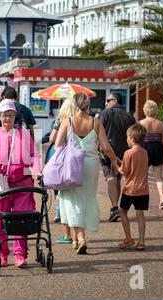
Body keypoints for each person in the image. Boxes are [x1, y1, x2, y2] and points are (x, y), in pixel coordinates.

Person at [54, 93, 118, 254]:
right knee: (87, 197)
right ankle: (76, 238)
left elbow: (57, 145)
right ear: (88, 104)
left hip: (72, 165)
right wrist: (115, 160)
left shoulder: (67, 121)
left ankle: (81, 238)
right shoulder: (96, 122)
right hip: (90, 165)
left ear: (74, 104)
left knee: (73, 199)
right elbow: (106, 146)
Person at [0, 99, 42, 268]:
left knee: (21, 220)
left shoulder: (23, 134)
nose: (7, 118)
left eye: (10, 115)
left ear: (15, 115)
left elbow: (34, 155)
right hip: (1, 183)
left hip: (22, 183)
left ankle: (20, 254)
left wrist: (37, 170)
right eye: (4, 115)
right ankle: (1, 254)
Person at [98, 92, 136, 222]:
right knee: (117, 179)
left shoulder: (105, 113)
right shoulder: (129, 116)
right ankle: (115, 207)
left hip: (108, 151)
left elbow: (98, 131)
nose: (106, 103)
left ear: (115, 101)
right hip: (124, 152)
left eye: (108, 100)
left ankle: (114, 208)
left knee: (110, 178)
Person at [48, 97, 79, 243]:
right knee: (76, 198)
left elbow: (53, 139)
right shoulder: (82, 120)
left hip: (64, 161)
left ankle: (67, 235)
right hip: (78, 161)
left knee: (62, 196)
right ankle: (77, 234)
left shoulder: (61, 120)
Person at [117, 123, 149, 250]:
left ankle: (128, 238)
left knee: (122, 211)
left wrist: (117, 166)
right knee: (140, 214)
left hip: (130, 189)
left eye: (127, 137)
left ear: (133, 139)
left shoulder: (128, 153)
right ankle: (141, 241)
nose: (127, 140)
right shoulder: (145, 152)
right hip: (143, 189)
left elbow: (124, 171)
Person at [139, 100, 163, 209]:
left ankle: (142, 199)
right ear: (155, 110)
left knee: (143, 176)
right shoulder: (160, 124)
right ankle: (162, 199)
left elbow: (137, 139)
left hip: (144, 149)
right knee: (159, 177)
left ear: (145, 110)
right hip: (157, 148)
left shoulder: (141, 123)